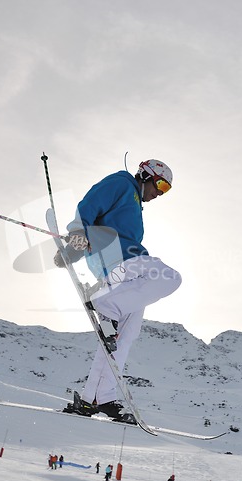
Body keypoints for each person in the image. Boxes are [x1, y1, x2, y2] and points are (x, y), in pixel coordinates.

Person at [57, 160, 182, 422]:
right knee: (169, 277)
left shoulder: (136, 205)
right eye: (160, 184)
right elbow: (90, 204)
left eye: (166, 190)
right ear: (146, 175)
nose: (159, 193)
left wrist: (74, 251)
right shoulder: (122, 183)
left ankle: (97, 398)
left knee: (124, 337)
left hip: (122, 269)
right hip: (121, 261)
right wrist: (76, 234)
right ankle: (105, 304)